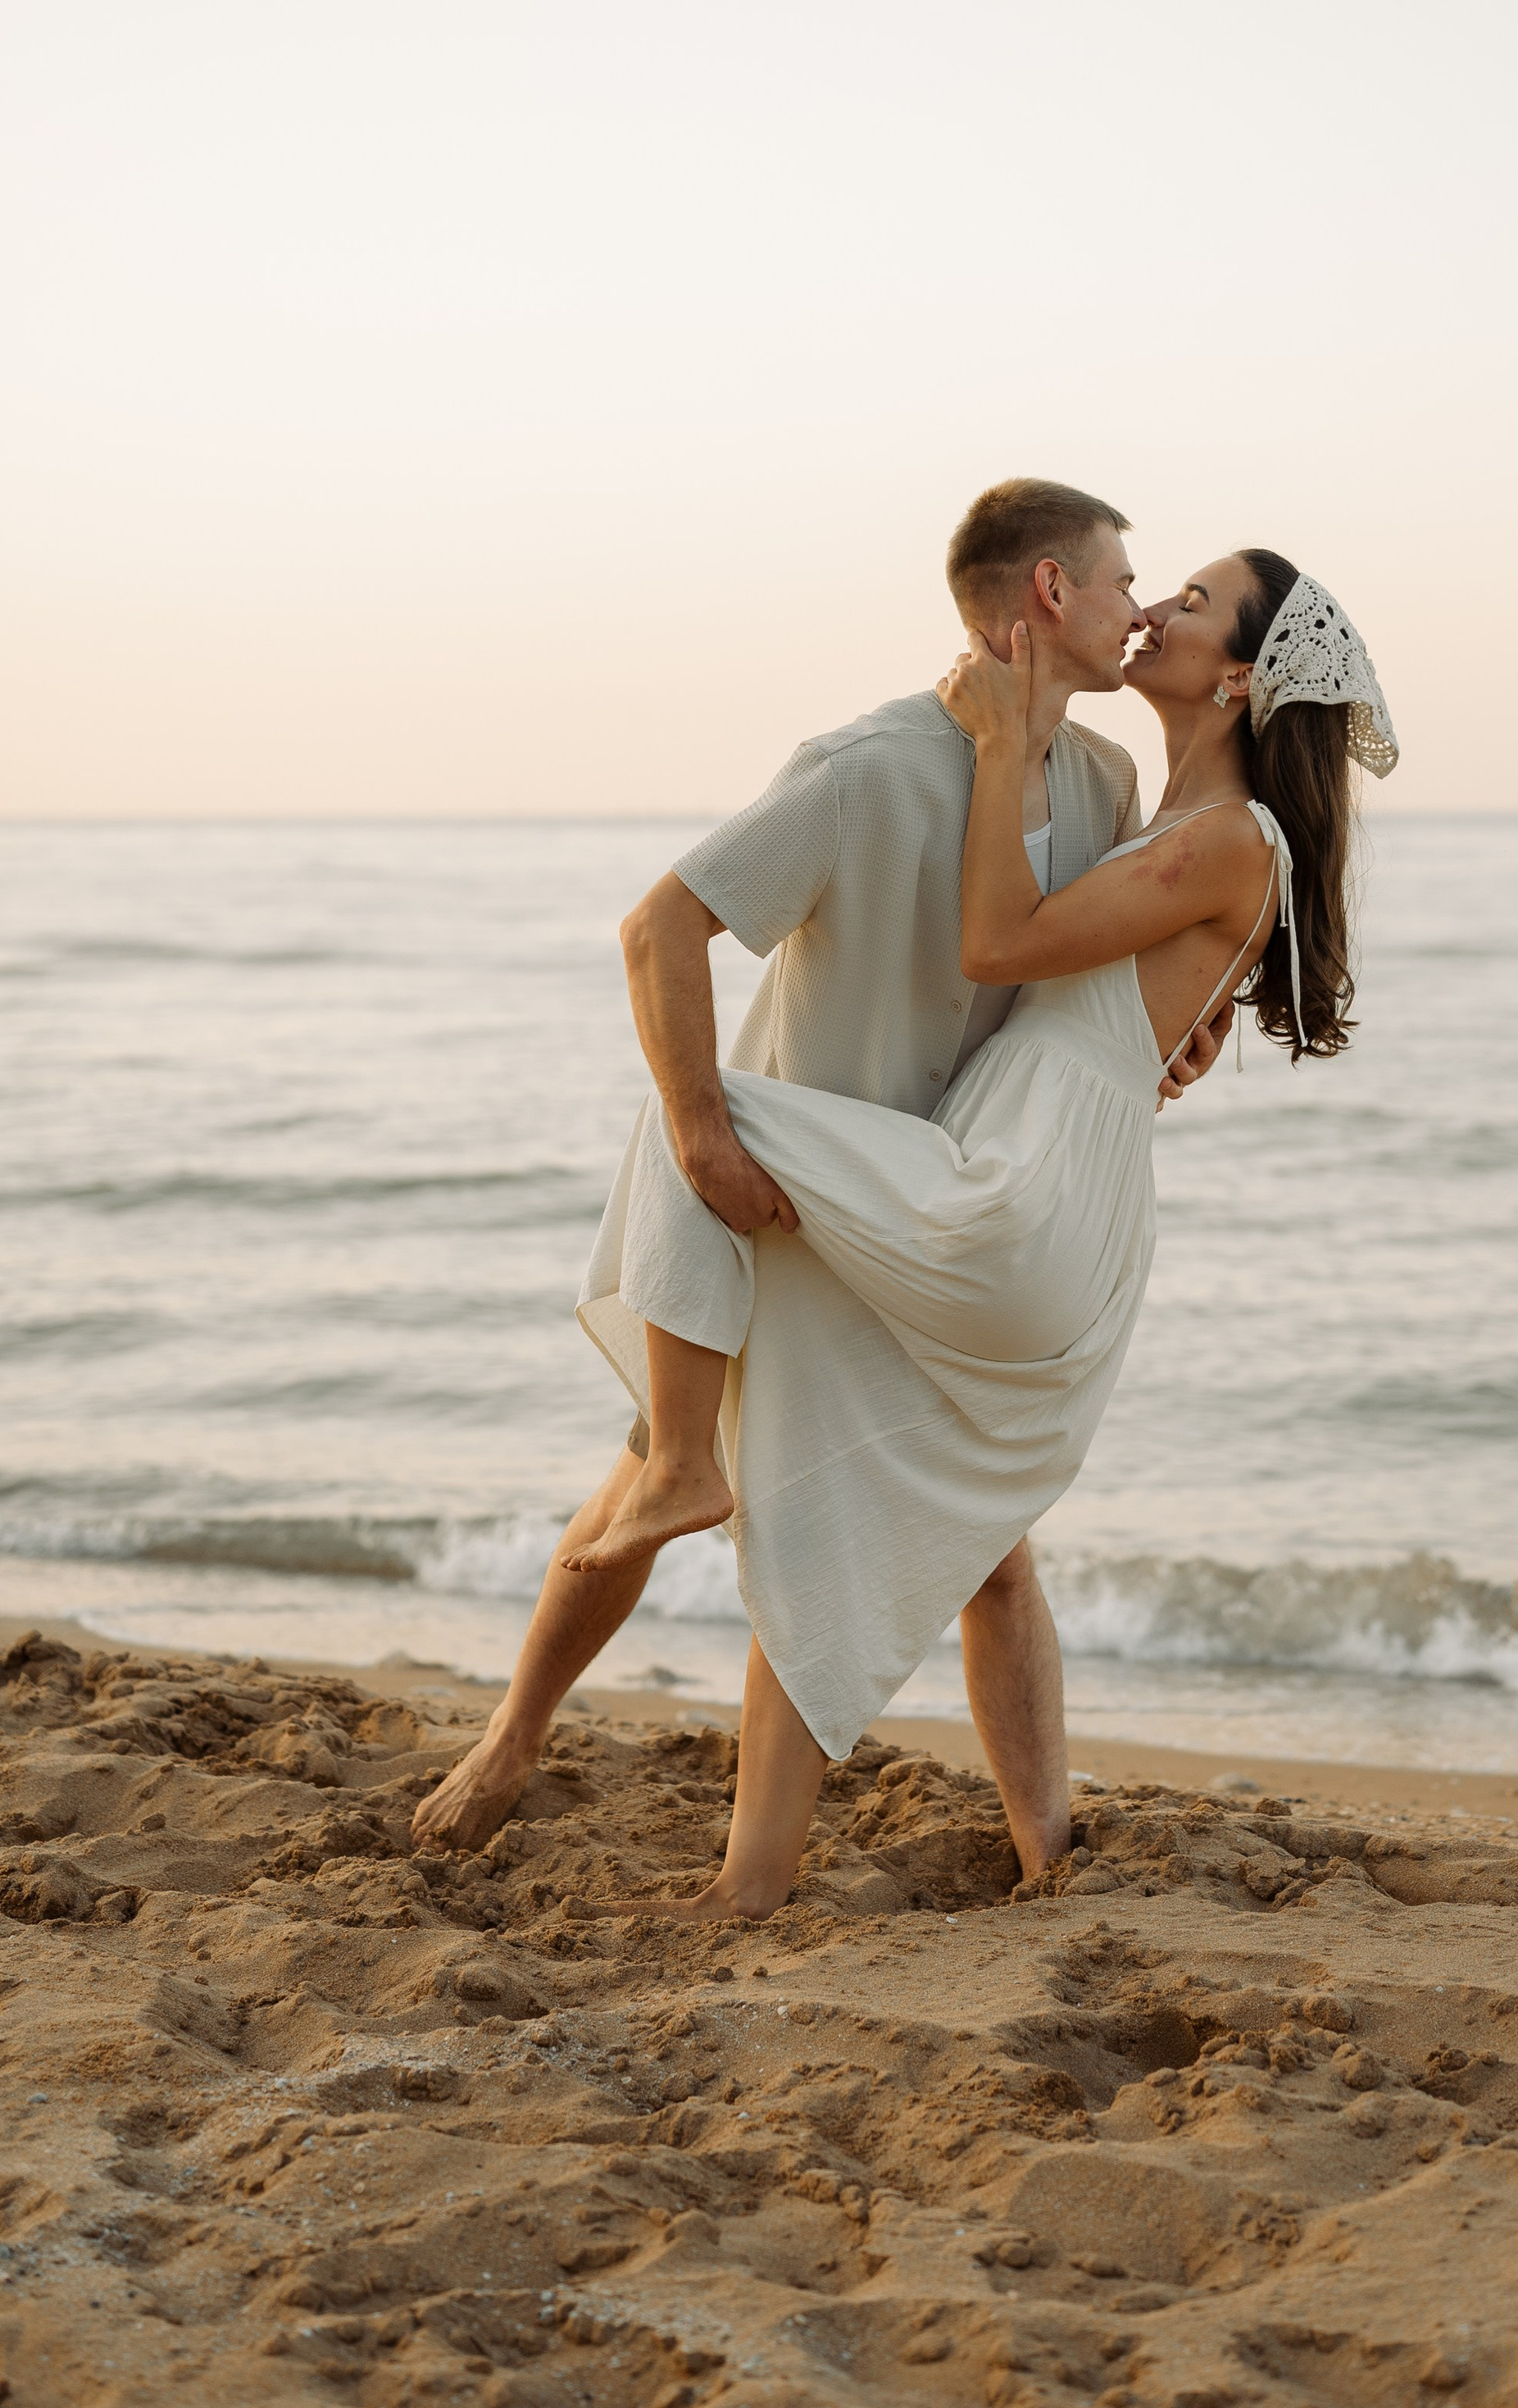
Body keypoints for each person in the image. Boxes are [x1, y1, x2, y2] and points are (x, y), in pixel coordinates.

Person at [567, 546, 1397, 1919]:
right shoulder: (1162, 814)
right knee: (827, 1467)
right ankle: (804, 1876)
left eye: (1193, 603)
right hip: (1039, 1181)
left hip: (1016, 1193)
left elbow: (996, 944)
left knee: (691, 1112)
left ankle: (673, 1461)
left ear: (1241, 675)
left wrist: (1001, 734)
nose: (1161, 609)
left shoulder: (1226, 834)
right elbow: (1111, 1011)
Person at [411, 480, 1227, 1865]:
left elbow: (1086, 974)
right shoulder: (869, 765)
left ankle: (1046, 1856)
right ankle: (513, 1741)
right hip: (793, 1201)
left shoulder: (1105, 786)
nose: (1139, 607)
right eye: (1119, 580)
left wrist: (1173, 1036)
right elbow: (659, 927)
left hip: (942, 1202)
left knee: (991, 1539)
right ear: (1046, 594)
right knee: (637, 1488)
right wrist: (703, 1140)